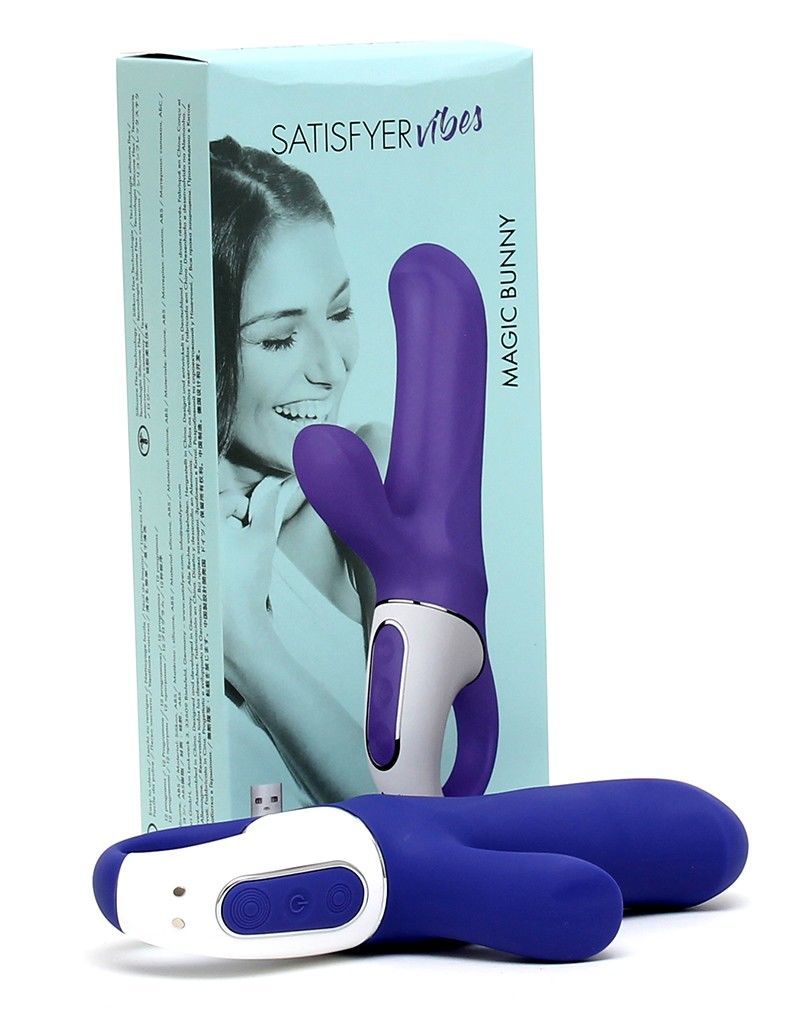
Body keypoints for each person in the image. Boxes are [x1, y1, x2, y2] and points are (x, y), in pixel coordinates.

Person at [210, 136, 386, 811]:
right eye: (280, 338)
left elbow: (417, 811)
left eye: (339, 314)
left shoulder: (374, 476)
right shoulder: (168, 557)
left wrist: (246, 644)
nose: (332, 368)